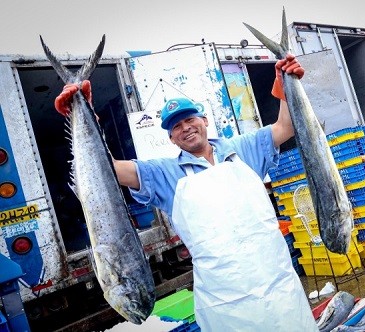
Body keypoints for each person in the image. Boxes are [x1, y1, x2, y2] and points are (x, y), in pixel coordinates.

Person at [54, 54, 320, 331]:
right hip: (226, 307)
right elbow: (108, 170)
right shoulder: (163, 173)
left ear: (204, 120)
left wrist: (284, 84)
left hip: (281, 289)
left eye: (189, 119)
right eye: (176, 126)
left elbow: (285, 127)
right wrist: (85, 116)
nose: (185, 128)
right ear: (171, 138)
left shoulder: (244, 148)